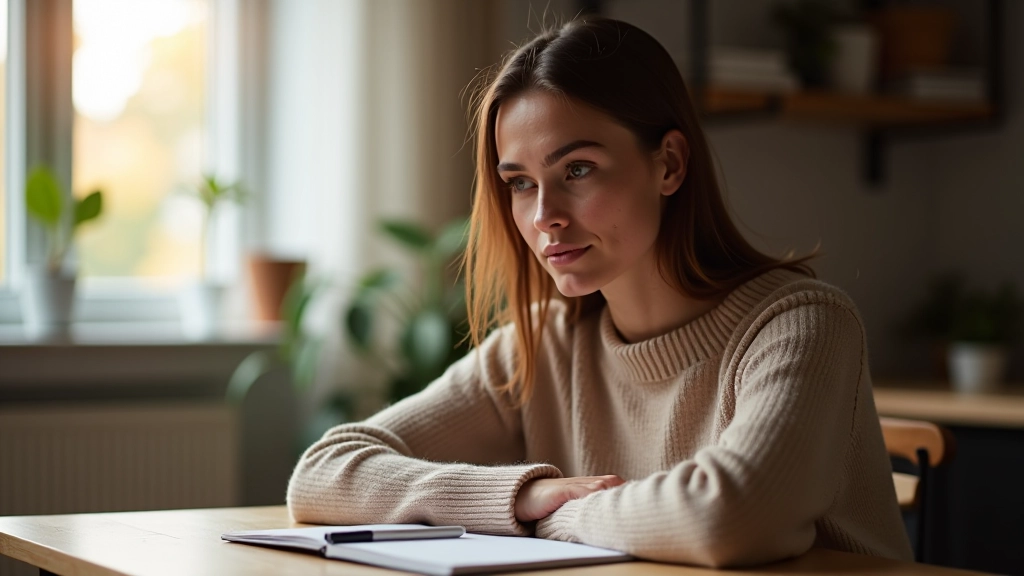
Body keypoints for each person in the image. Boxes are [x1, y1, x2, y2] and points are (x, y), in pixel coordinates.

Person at [287, 17, 913, 568]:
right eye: (522, 184)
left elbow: (731, 517)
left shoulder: (801, 325)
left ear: (668, 164)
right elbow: (322, 473)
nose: (544, 216)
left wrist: (557, 518)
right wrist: (520, 498)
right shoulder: (542, 344)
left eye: (576, 170)